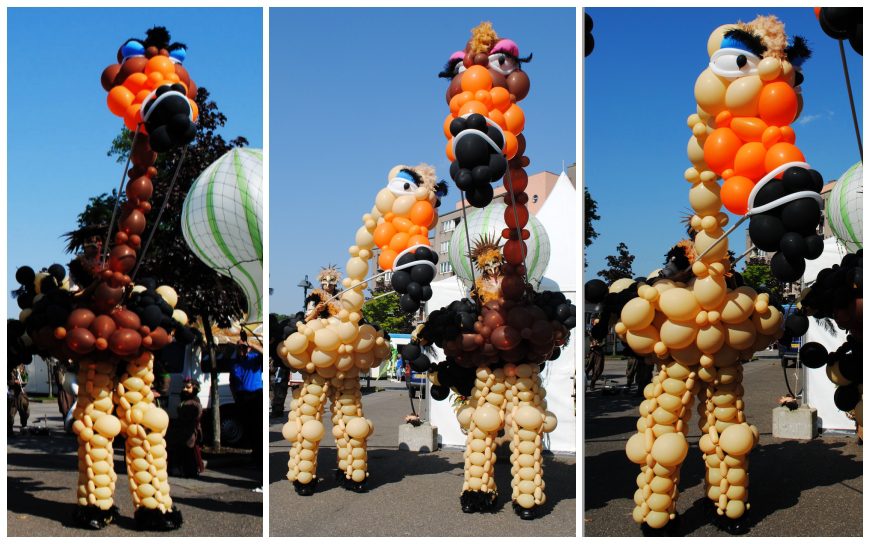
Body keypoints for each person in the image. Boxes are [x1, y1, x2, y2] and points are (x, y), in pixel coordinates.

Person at [231, 333, 263, 465]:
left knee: (257, 428)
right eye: (239, 347)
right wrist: (235, 396)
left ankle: (259, 456)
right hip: (241, 397)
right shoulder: (235, 362)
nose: (241, 350)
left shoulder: (254, 359)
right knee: (248, 428)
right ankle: (254, 455)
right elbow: (232, 380)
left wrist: (251, 345)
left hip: (255, 396)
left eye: (243, 347)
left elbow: (265, 353)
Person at [169, 379, 204, 477]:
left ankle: (189, 471)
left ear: (194, 388)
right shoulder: (185, 401)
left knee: (189, 451)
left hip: (189, 431)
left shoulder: (194, 403)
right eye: (183, 387)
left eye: (188, 387)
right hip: (182, 430)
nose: (184, 389)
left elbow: (194, 417)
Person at [8, 363, 29, 436]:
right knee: (11, 414)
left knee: (24, 412)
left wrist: (24, 380)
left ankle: (24, 428)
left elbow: (25, 376)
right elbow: (8, 380)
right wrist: (14, 382)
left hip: (21, 394)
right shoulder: (9, 367)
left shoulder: (22, 366)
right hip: (13, 394)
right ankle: (9, 430)